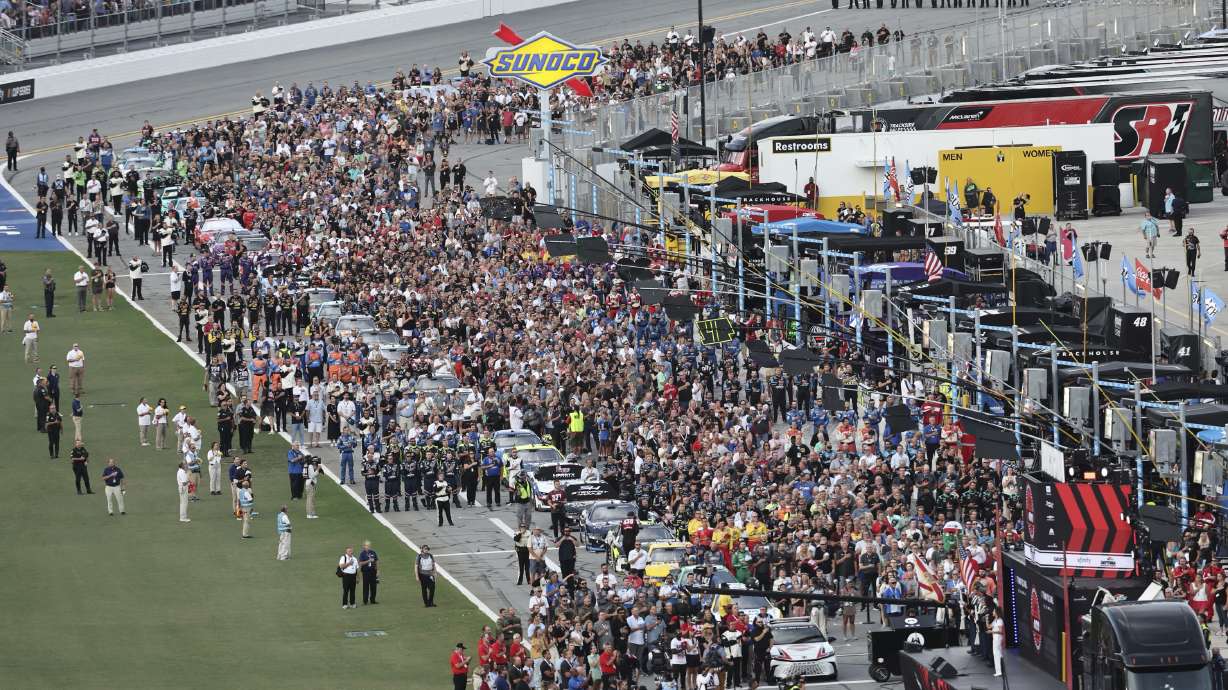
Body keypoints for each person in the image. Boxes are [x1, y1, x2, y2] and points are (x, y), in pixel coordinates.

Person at [359, 540, 380, 604]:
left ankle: (373, 600)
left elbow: (376, 561)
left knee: (374, 586)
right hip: (366, 572)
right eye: (367, 545)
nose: (368, 547)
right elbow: (360, 563)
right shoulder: (362, 554)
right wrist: (368, 561)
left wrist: (378, 570)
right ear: (364, 546)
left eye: (369, 545)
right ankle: (365, 601)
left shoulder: (373, 552)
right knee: (366, 586)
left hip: (373, 571)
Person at [990, 607, 1005, 677]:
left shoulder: (999, 620)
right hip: (995, 639)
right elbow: (988, 626)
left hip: (998, 639)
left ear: (996, 612)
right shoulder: (995, 620)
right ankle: (999, 670)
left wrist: (992, 631)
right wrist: (986, 619)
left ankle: (999, 671)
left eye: (993, 611)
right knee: (996, 654)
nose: (992, 612)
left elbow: (1000, 631)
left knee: (997, 654)